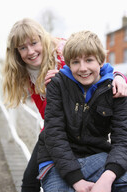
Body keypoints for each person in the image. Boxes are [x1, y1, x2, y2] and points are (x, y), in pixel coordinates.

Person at [2, 19, 127, 192]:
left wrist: (120, 76)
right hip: (57, 130)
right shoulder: (26, 72)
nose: (30, 51)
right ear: (16, 52)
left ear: (42, 39)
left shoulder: (64, 53)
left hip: (80, 134)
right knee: (30, 180)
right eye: (22, 47)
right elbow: (49, 119)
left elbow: (99, 65)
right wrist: (55, 91)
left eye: (33, 43)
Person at [37, 30, 127, 192]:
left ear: (101, 61)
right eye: (75, 62)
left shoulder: (116, 88)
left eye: (89, 60)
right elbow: (54, 135)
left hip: (96, 157)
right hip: (57, 161)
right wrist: (77, 181)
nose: (83, 68)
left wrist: (108, 177)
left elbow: (122, 140)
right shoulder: (57, 85)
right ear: (68, 64)